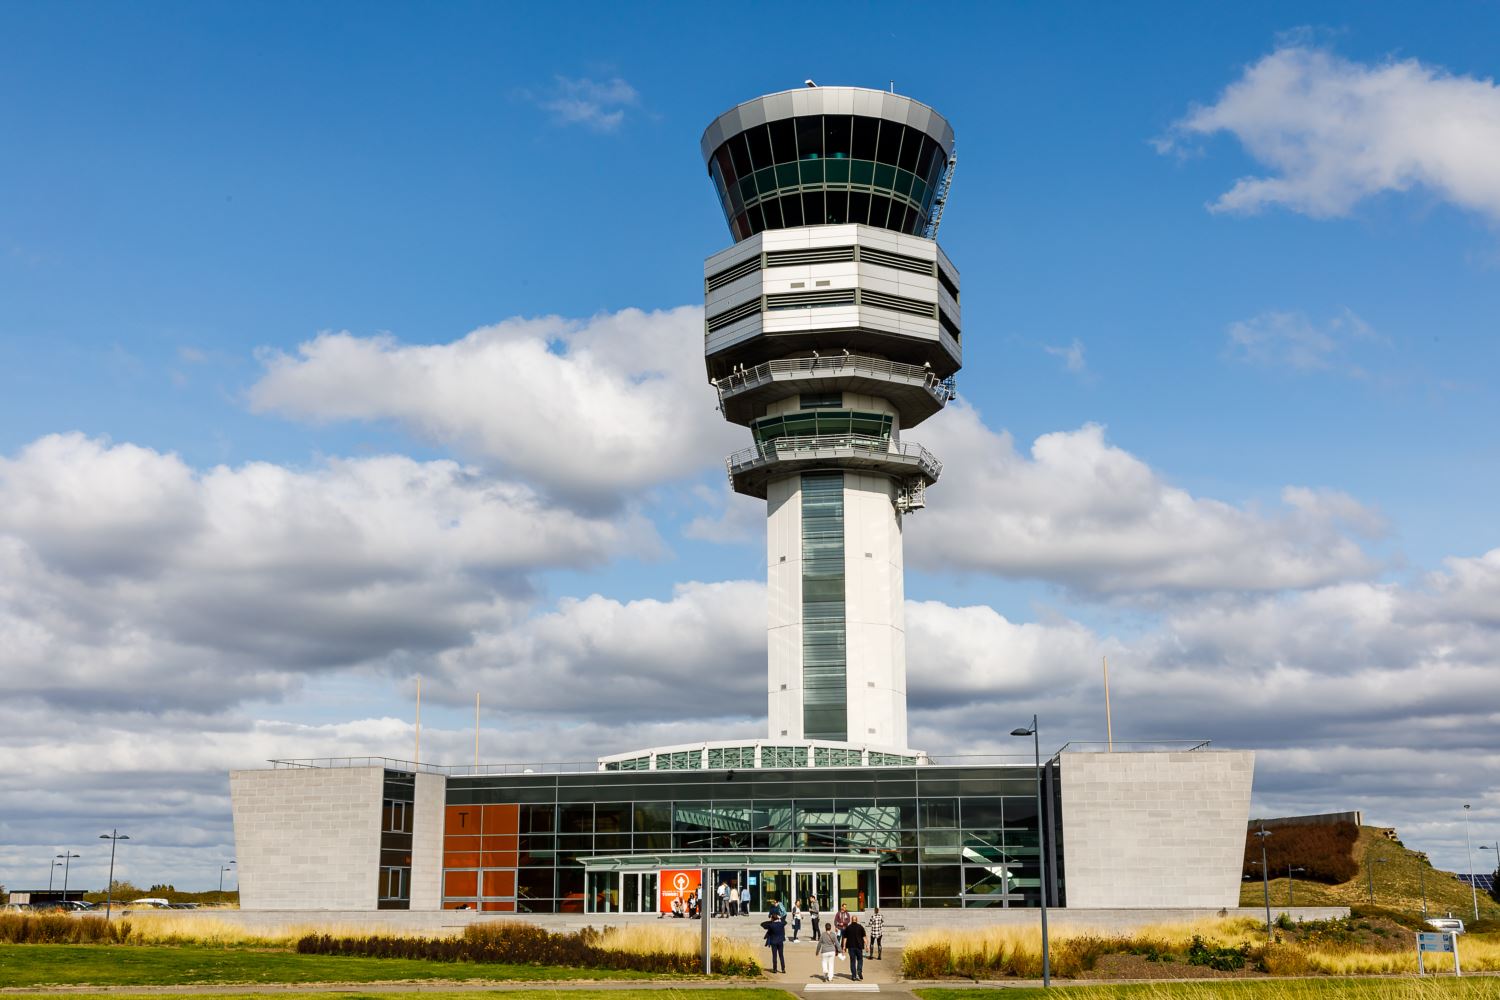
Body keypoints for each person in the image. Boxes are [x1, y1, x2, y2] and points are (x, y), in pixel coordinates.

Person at [842, 914, 867, 982]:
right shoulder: (860, 927)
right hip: (859, 947)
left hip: (851, 947)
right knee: (860, 959)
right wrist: (867, 946)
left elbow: (845, 938)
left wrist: (844, 947)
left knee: (852, 961)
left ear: (851, 920)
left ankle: (853, 976)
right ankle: (859, 970)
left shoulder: (848, 927)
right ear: (857, 920)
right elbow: (864, 937)